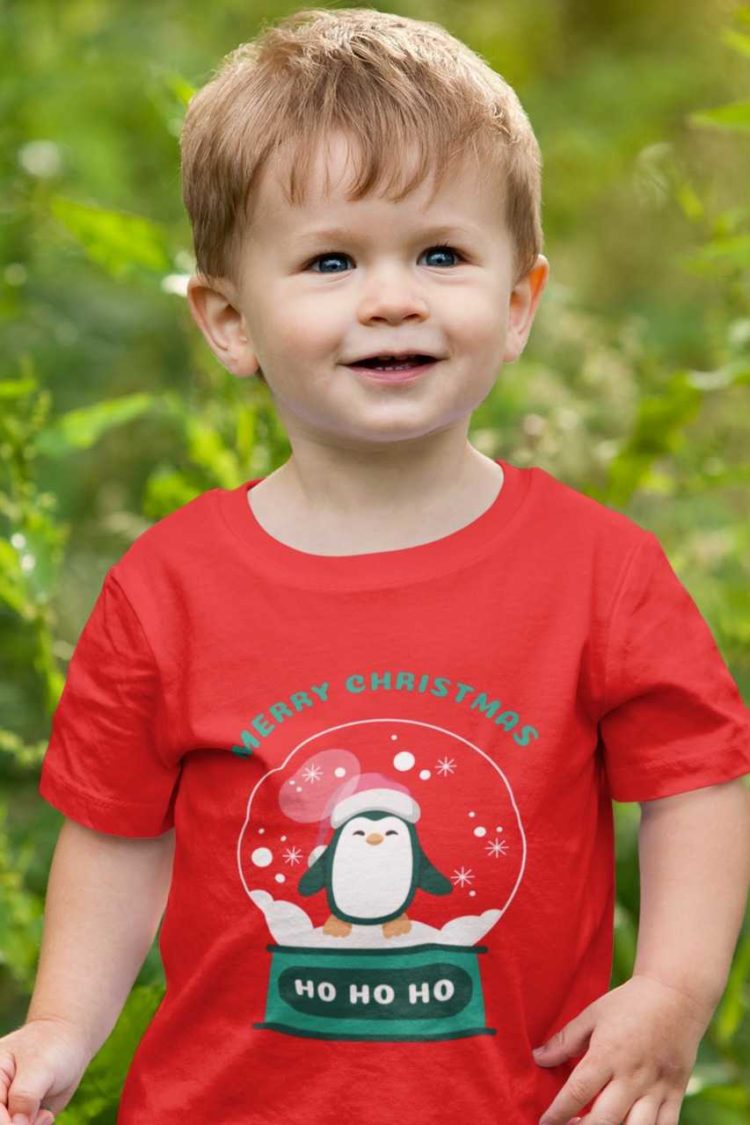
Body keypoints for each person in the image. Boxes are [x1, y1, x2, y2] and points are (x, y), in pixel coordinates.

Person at [2, 7, 749, 1125]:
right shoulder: (169, 586)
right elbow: (119, 828)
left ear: (516, 303)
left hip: (513, 1102)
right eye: (332, 259)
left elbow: (699, 777)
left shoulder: (600, 574)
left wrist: (676, 991)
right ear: (228, 320)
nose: (393, 295)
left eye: (440, 254)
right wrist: (64, 1023)